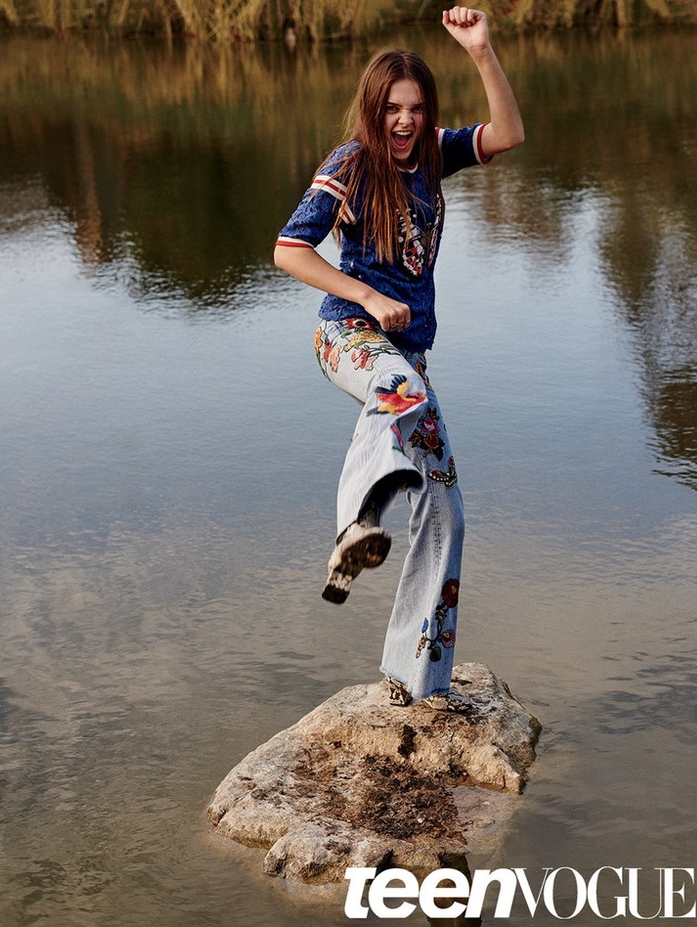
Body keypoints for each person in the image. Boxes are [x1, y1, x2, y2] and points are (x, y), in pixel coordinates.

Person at [273, 6, 523, 711]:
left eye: (415, 108)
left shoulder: (436, 155)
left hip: (408, 360)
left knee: (446, 510)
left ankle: (418, 680)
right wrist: (367, 296)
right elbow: (287, 249)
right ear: (373, 110)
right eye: (392, 109)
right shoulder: (351, 164)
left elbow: (508, 133)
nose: (405, 121)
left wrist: (481, 51)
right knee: (398, 386)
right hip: (347, 336)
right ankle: (355, 521)